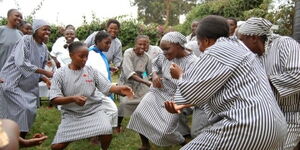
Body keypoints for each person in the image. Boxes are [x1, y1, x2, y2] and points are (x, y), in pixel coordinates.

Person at [164, 15, 287, 149]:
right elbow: (210, 90)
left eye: (199, 44)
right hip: (276, 126)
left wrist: (180, 75)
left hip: (248, 126)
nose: (200, 49)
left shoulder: (216, 51)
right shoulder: (240, 49)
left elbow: (191, 91)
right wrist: (180, 106)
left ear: (206, 40)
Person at [49, 41, 133, 150]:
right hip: (71, 114)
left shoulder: (91, 71)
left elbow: (107, 86)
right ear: (71, 56)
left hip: (94, 110)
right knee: (56, 147)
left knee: (106, 129)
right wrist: (73, 99)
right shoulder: (60, 74)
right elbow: (54, 99)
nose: (84, 59)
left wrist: (120, 89)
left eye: (86, 56)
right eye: (81, 56)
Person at [127, 32, 198, 149]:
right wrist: (154, 75)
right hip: (159, 90)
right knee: (139, 114)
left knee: (166, 130)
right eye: (162, 50)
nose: (164, 53)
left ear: (179, 45)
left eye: (167, 49)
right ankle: (145, 145)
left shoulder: (193, 62)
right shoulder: (164, 55)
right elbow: (155, 64)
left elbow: (192, 86)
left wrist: (181, 75)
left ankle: (183, 142)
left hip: (177, 96)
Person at [238, 17, 300, 150]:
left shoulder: (285, 45)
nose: (240, 44)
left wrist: (263, 80)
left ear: (254, 38)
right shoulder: (252, 55)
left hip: (290, 115)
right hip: (266, 117)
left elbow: (297, 76)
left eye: (242, 40)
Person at [0, 19, 53, 138]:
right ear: (36, 29)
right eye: (44, 29)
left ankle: (18, 136)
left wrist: (46, 79)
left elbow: (39, 68)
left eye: (49, 30)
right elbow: (21, 62)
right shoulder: (25, 40)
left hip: (28, 86)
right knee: (24, 108)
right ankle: (17, 137)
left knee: (29, 110)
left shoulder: (44, 47)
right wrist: (44, 72)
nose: (48, 32)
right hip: (12, 81)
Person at [117, 35, 152, 132]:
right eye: (140, 44)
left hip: (140, 84)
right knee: (124, 103)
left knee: (146, 101)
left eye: (145, 44)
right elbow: (130, 73)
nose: (142, 47)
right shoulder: (128, 53)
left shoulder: (147, 57)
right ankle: (117, 124)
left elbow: (149, 72)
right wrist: (145, 81)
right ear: (135, 44)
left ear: (147, 45)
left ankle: (141, 122)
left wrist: (153, 78)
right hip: (127, 83)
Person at [86, 31, 118, 128]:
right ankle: (99, 131)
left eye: (110, 43)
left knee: (100, 111)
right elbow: (91, 71)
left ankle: (97, 132)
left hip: (101, 88)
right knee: (112, 110)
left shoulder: (98, 53)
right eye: (106, 43)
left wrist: (108, 68)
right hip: (96, 89)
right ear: (98, 41)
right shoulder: (92, 54)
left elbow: (97, 68)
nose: (108, 45)